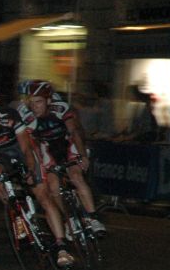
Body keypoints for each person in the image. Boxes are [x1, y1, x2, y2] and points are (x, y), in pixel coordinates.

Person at [0, 91, 75, 270]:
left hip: (22, 150)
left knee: (43, 196)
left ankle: (62, 248)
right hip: (0, 154)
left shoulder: (10, 116)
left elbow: (26, 149)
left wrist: (30, 170)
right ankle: (16, 213)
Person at [20, 80, 106, 237]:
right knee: (53, 186)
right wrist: (35, 168)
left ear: (48, 100)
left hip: (68, 146)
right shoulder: (29, 119)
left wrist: (82, 156)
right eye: (31, 103)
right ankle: (68, 219)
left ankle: (93, 218)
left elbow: (74, 132)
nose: (34, 106)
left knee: (75, 176)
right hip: (49, 150)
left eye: (38, 102)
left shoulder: (60, 109)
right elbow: (31, 147)